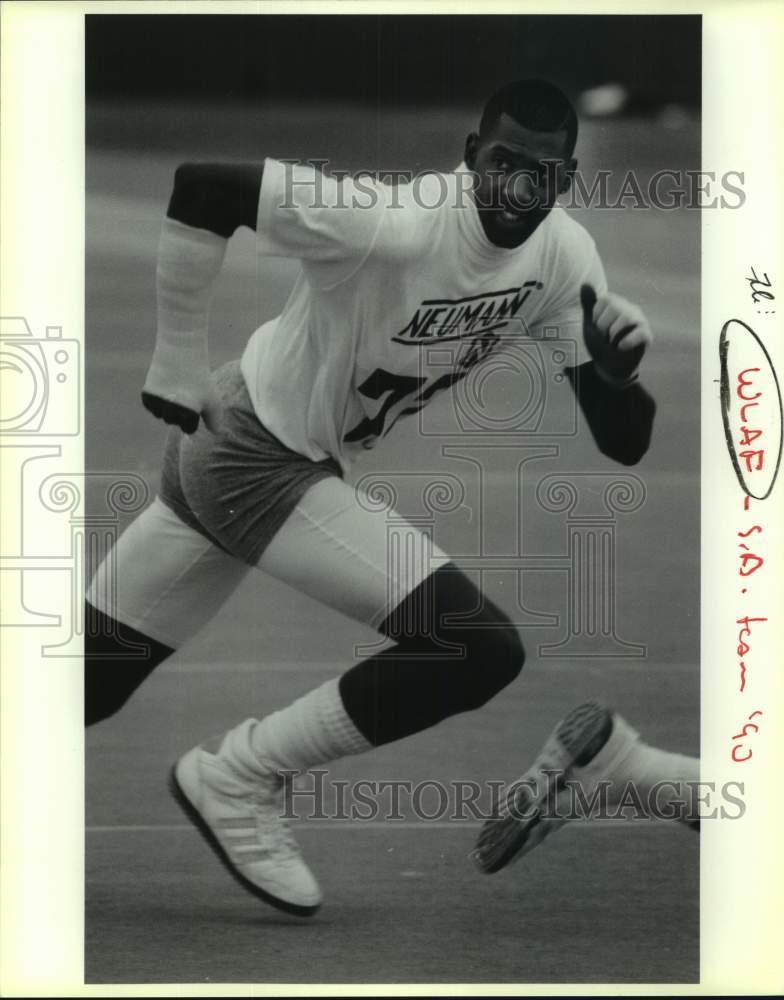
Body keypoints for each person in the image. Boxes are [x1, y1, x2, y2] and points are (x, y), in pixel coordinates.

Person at [86, 79, 698, 916]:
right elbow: (203, 186)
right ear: (468, 153)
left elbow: (623, 440)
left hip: (252, 445)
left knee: (87, 683)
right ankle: (240, 775)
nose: (517, 186)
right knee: (474, 646)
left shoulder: (562, 256)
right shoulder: (393, 225)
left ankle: (235, 775)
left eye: (541, 173)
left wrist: (620, 377)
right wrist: (178, 360)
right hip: (257, 457)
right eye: (503, 161)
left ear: (564, 181)